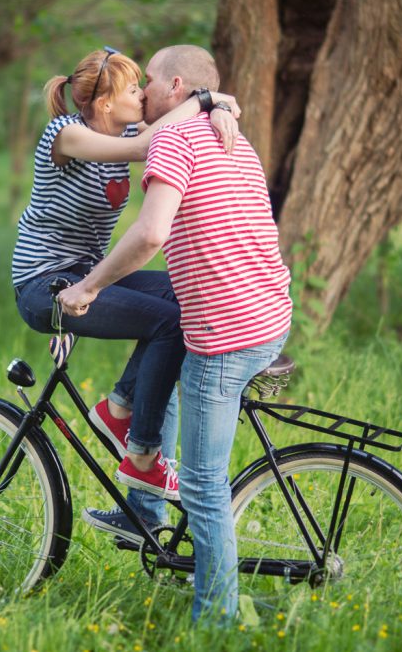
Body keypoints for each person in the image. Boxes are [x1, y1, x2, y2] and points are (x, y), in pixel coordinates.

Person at [58, 44, 292, 623]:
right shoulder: (233, 138)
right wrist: (216, 104)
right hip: (269, 316)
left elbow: (149, 235)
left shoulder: (174, 138)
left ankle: (215, 625)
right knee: (166, 337)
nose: (141, 94)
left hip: (226, 333)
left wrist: (89, 287)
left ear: (176, 87)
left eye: (149, 82)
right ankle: (142, 502)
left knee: (204, 487)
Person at [12, 46, 239, 543]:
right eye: (134, 88)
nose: (143, 95)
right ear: (105, 104)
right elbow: (150, 144)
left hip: (89, 275)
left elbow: (166, 129)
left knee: (185, 296)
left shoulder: (126, 130)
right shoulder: (66, 135)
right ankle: (136, 447)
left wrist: (218, 104)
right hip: (44, 285)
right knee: (169, 325)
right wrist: (207, 99)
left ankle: (130, 454)